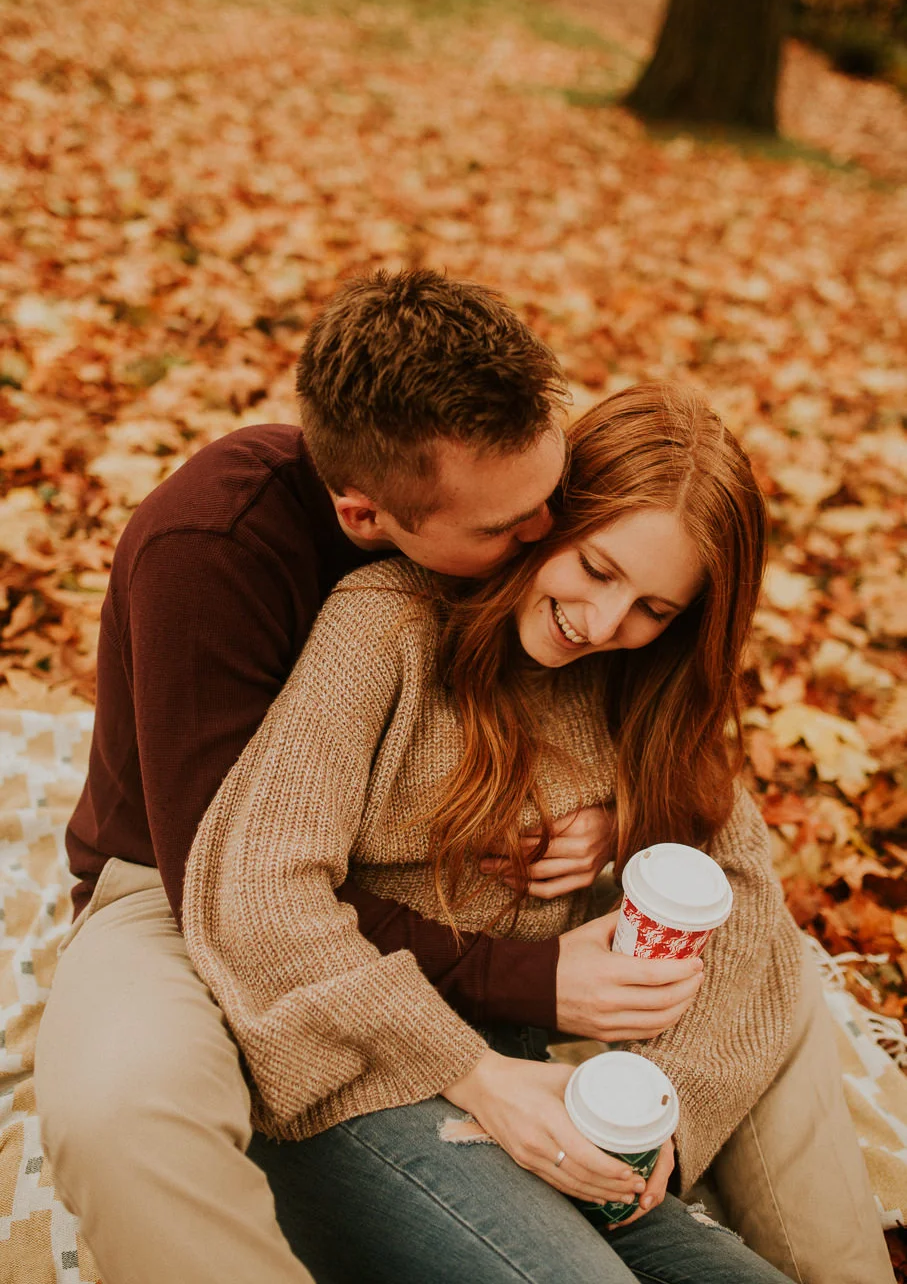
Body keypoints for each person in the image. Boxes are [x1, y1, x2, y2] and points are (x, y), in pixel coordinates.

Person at [36, 272, 708, 1284]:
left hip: (410, 885)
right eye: (502, 528)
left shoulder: (503, 504)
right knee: (122, 1110)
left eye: (548, 500)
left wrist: (614, 819)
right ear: (363, 515)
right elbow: (236, 889)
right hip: (181, 885)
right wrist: (516, 984)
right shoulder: (211, 549)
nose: (541, 539)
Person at [182, 383, 892, 1284]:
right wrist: (469, 1070)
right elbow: (257, 887)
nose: (603, 624)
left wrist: (662, 1115)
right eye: (595, 569)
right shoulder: (385, 623)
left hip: (543, 1088)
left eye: (652, 608)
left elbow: (745, 899)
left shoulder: (640, 690)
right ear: (544, 520)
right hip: (351, 1076)